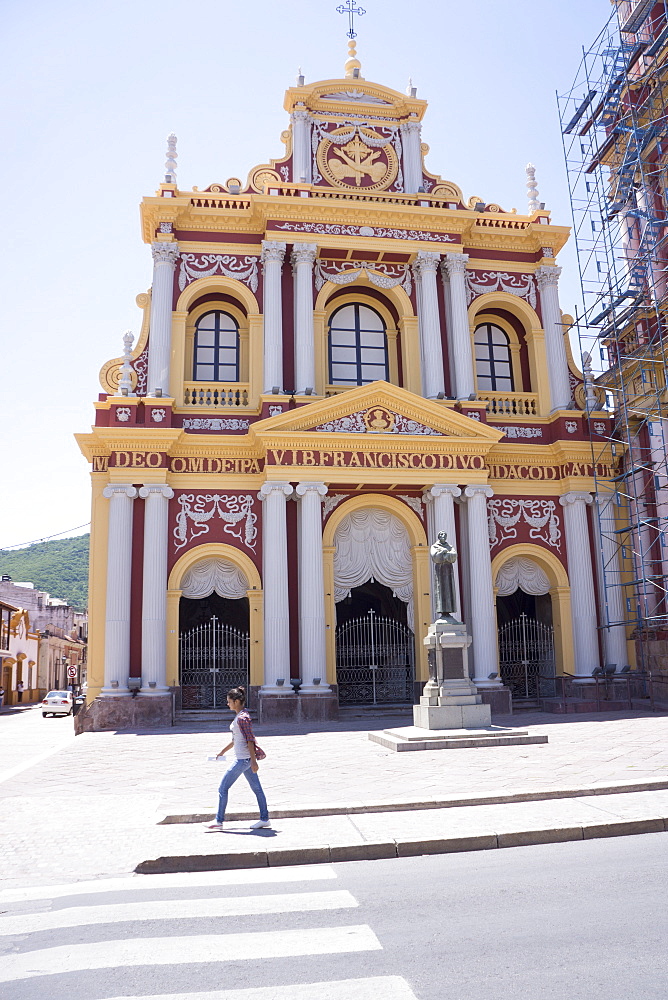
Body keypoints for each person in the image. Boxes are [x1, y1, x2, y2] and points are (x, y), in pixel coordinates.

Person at [207, 686, 271, 832]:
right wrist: (222, 752)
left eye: (229, 701)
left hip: (243, 760)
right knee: (257, 789)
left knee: (223, 788)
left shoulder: (242, 718)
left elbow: (250, 740)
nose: (227, 704)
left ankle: (219, 820)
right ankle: (264, 819)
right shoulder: (241, 716)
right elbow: (237, 739)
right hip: (246, 760)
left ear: (236, 702)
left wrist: (254, 761)